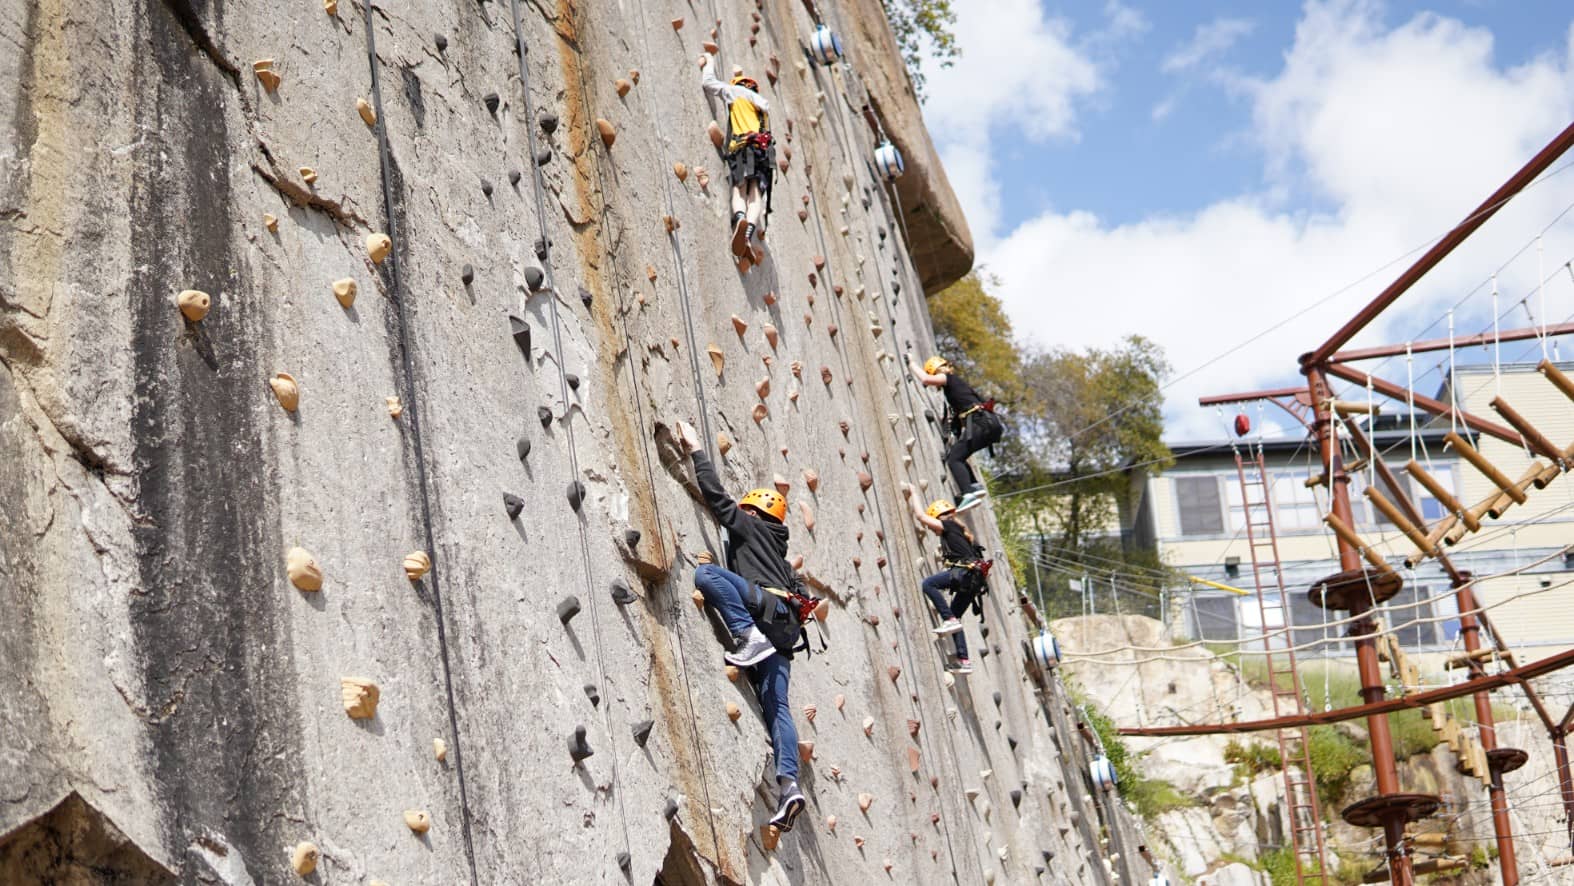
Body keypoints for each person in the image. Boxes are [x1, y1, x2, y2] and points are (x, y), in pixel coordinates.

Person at [675, 420, 822, 833]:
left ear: (753, 511)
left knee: (708, 577)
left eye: (745, 509)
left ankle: (744, 635)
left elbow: (718, 502)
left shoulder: (750, 525)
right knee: (779, 710)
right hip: (785, 635)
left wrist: (696, 449)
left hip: (762, 615)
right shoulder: (779, 547)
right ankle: (789, 784)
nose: (739, 513)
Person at [900, 483, 991, 675]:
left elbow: (921, 517)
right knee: (956, 618)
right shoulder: (964, 533)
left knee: (929, 584)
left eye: (935, 522)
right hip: (974, 581)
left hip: (965, 573)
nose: (934, 530)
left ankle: (948, 619)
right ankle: (964, 660)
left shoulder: (949, 525)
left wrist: (914, 493)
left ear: (940, 517)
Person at [699, 52, 773, 267]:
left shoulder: (734, 91)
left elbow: (708, 83)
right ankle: (748, 230)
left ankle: (739, 218)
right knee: (756, 195)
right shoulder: (763, 104)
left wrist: (709, 61)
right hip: (763, 154)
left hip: (741, 146)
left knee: (738, 189)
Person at [908, 354, 1003, 510]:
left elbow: (925, 379)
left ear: (937, 370)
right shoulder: (958, 388)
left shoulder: (948, 378)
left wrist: (911, 363)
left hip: (981, 423)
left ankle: (968, 494)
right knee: (959, 454)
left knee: (954, 460)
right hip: (990, 425)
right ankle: (974, 486)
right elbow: (958, 423)